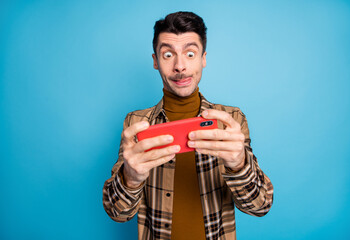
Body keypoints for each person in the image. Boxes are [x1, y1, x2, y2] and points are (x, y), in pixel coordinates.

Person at [103, 11, 274, 240]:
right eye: (167, 55)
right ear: (155, 61)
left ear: (203, 58)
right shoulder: (136, 124)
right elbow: (117, 213)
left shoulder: (230, 121)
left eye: (190, 54)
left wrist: (240, 164)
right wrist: (130, 177)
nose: (180, 66)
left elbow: (260, 206)